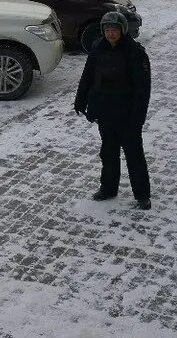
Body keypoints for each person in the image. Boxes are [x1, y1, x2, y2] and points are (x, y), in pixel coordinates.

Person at [74, 11, 152, 210]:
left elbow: (143, 89)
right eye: (107, 30)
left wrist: (138, 117)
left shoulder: (134, 52)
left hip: (127, 113)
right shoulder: (97, 48)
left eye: (114, 30)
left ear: (123, 31)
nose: (110, 34)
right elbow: (88, 76)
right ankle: (108, 188)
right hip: (105, 111)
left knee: (134, 155)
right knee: (108, 152)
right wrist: (80, 100)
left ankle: (142, 195)